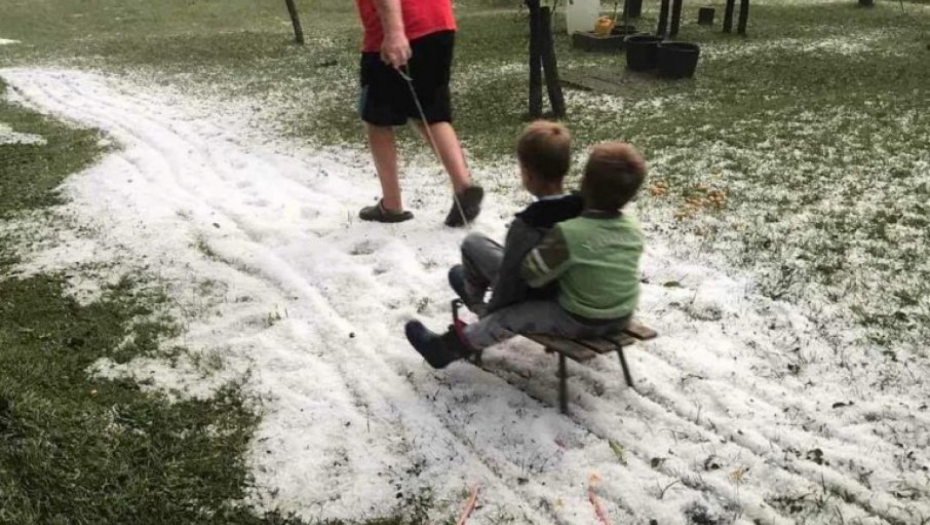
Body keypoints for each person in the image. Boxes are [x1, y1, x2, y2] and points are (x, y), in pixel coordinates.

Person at [405, 142, 648, 369]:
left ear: (585, 183)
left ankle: (446, 349)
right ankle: (475, 297)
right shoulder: (632, 228)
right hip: (622, 315)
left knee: (509, 317)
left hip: (578, 319)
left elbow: (531, 276)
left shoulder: (571, 233)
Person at [355, 0, 483, 226]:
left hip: (400, 29)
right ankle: (463, 187)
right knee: (432, 113)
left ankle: (391, 205)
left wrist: (394, 31)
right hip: (438, 22)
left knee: (376, 119)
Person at [449, 120, 582, 319]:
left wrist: (494, 311)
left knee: (473, 243)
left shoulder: (527, 225)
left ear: (527, 174)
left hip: (533, 297)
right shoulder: (583, 210)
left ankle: (476, 302)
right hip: (571, 292)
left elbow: (510, 279)